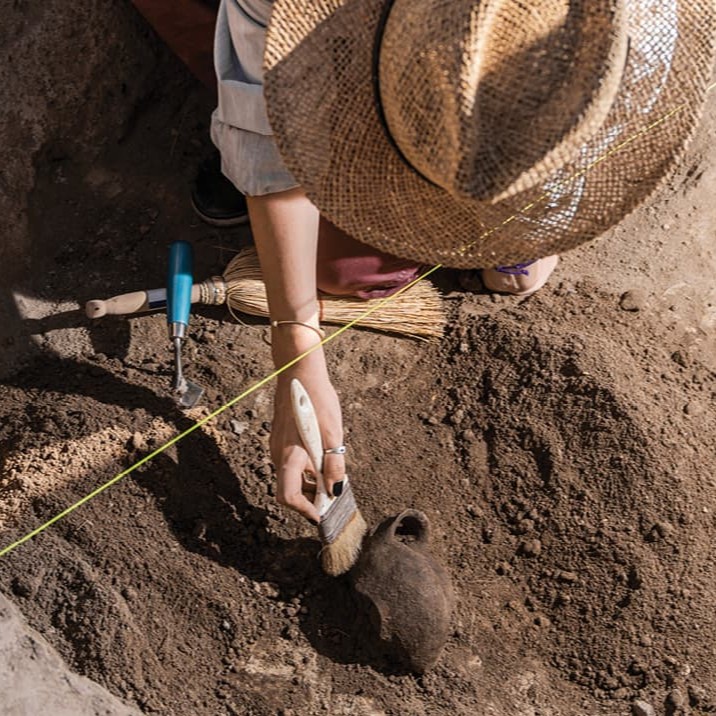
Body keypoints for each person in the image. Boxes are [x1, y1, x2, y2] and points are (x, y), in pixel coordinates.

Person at [204, 0, 712, 525]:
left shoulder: (632, 39)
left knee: (514, 270)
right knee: (342, 270)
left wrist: (520, 237)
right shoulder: (293, 8)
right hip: (340, 52)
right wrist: (297, 351)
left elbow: (578, 161)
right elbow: (267, 146)